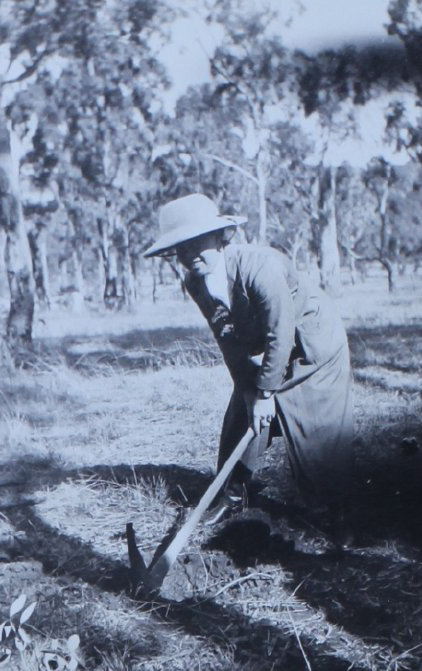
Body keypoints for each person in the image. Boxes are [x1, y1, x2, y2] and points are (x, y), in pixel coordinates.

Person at [144, 193, 353, 543]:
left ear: (220, 237)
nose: (190, 255)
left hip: (313, 343)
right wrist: (249, 389)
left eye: (198, 243)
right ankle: (233, 494)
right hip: (275, 344)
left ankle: (334, 514)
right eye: (181, 248)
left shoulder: (259, 266)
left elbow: (281, 329)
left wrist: (267, 392)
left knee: (316, 433)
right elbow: (228, 340)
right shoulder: (195, 282)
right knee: (241, 415)